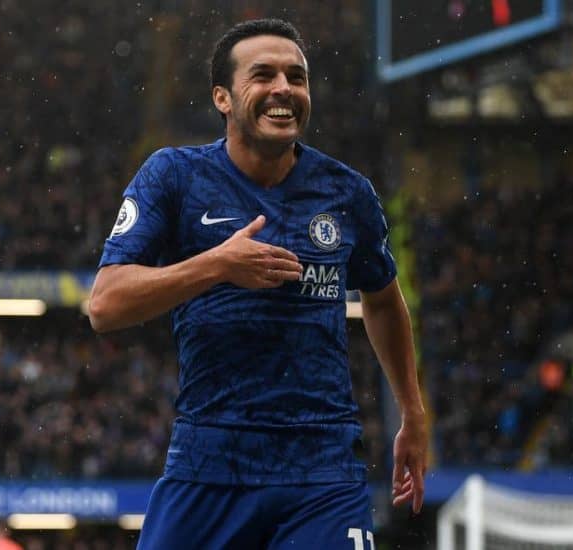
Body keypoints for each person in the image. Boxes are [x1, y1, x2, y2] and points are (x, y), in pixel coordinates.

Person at [88, 18, 428, 549]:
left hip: (322, 471)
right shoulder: (174, 176)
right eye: (263, 75)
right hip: (209, 465)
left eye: (297, 77)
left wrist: (412, 411)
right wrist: (216, 265)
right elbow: (105, 304)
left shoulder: (347, 193)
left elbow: (383, 300)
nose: (283, 89)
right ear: (222, 98)